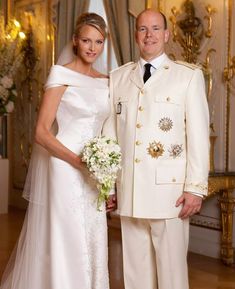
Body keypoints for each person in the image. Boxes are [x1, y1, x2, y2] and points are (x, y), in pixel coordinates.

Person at [0, 12, 113, 289]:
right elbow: (41, 132)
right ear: (75, 41)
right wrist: (78, 161)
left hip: (95, 169)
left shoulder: (107, 80)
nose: (92, 48)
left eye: (98, 42)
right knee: (68, 235)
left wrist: (104, 172)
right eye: (86, 40)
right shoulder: (61, 74)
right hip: (66, 165)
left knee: (94, 235)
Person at [103, 9, 210, 289]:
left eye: (154, 28)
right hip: (131, 189)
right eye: (142, 29)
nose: (148, 35)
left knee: (171, 274)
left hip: (170, 193)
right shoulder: (118, 78)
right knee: (135, 274)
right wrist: (109, 186)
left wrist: (195, 188)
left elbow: (198, 136)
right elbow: (110, 136)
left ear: (166, 34)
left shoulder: (187, 76)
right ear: (136, 35)